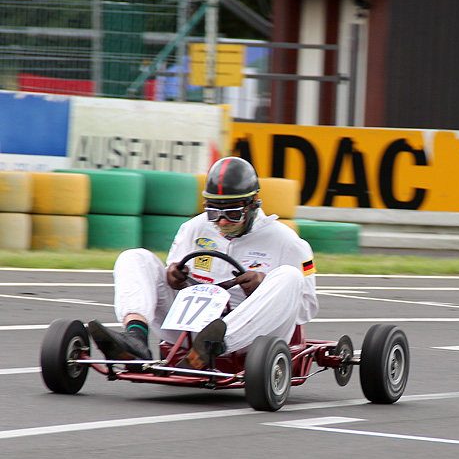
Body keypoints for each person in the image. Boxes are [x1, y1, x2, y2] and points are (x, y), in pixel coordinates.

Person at [87, 156, 319, 369]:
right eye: (213, 213)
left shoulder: (288, 242)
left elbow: (306, 309)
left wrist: (263, 286)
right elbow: (168, 276)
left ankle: (213, 344)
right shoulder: (194, 228)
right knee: (133, 256)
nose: (222, 222)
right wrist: (173, 276)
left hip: (251, 333)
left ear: (252, 204)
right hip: (188, 324)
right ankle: (135, 339)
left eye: (233, 213)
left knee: (290, 275)